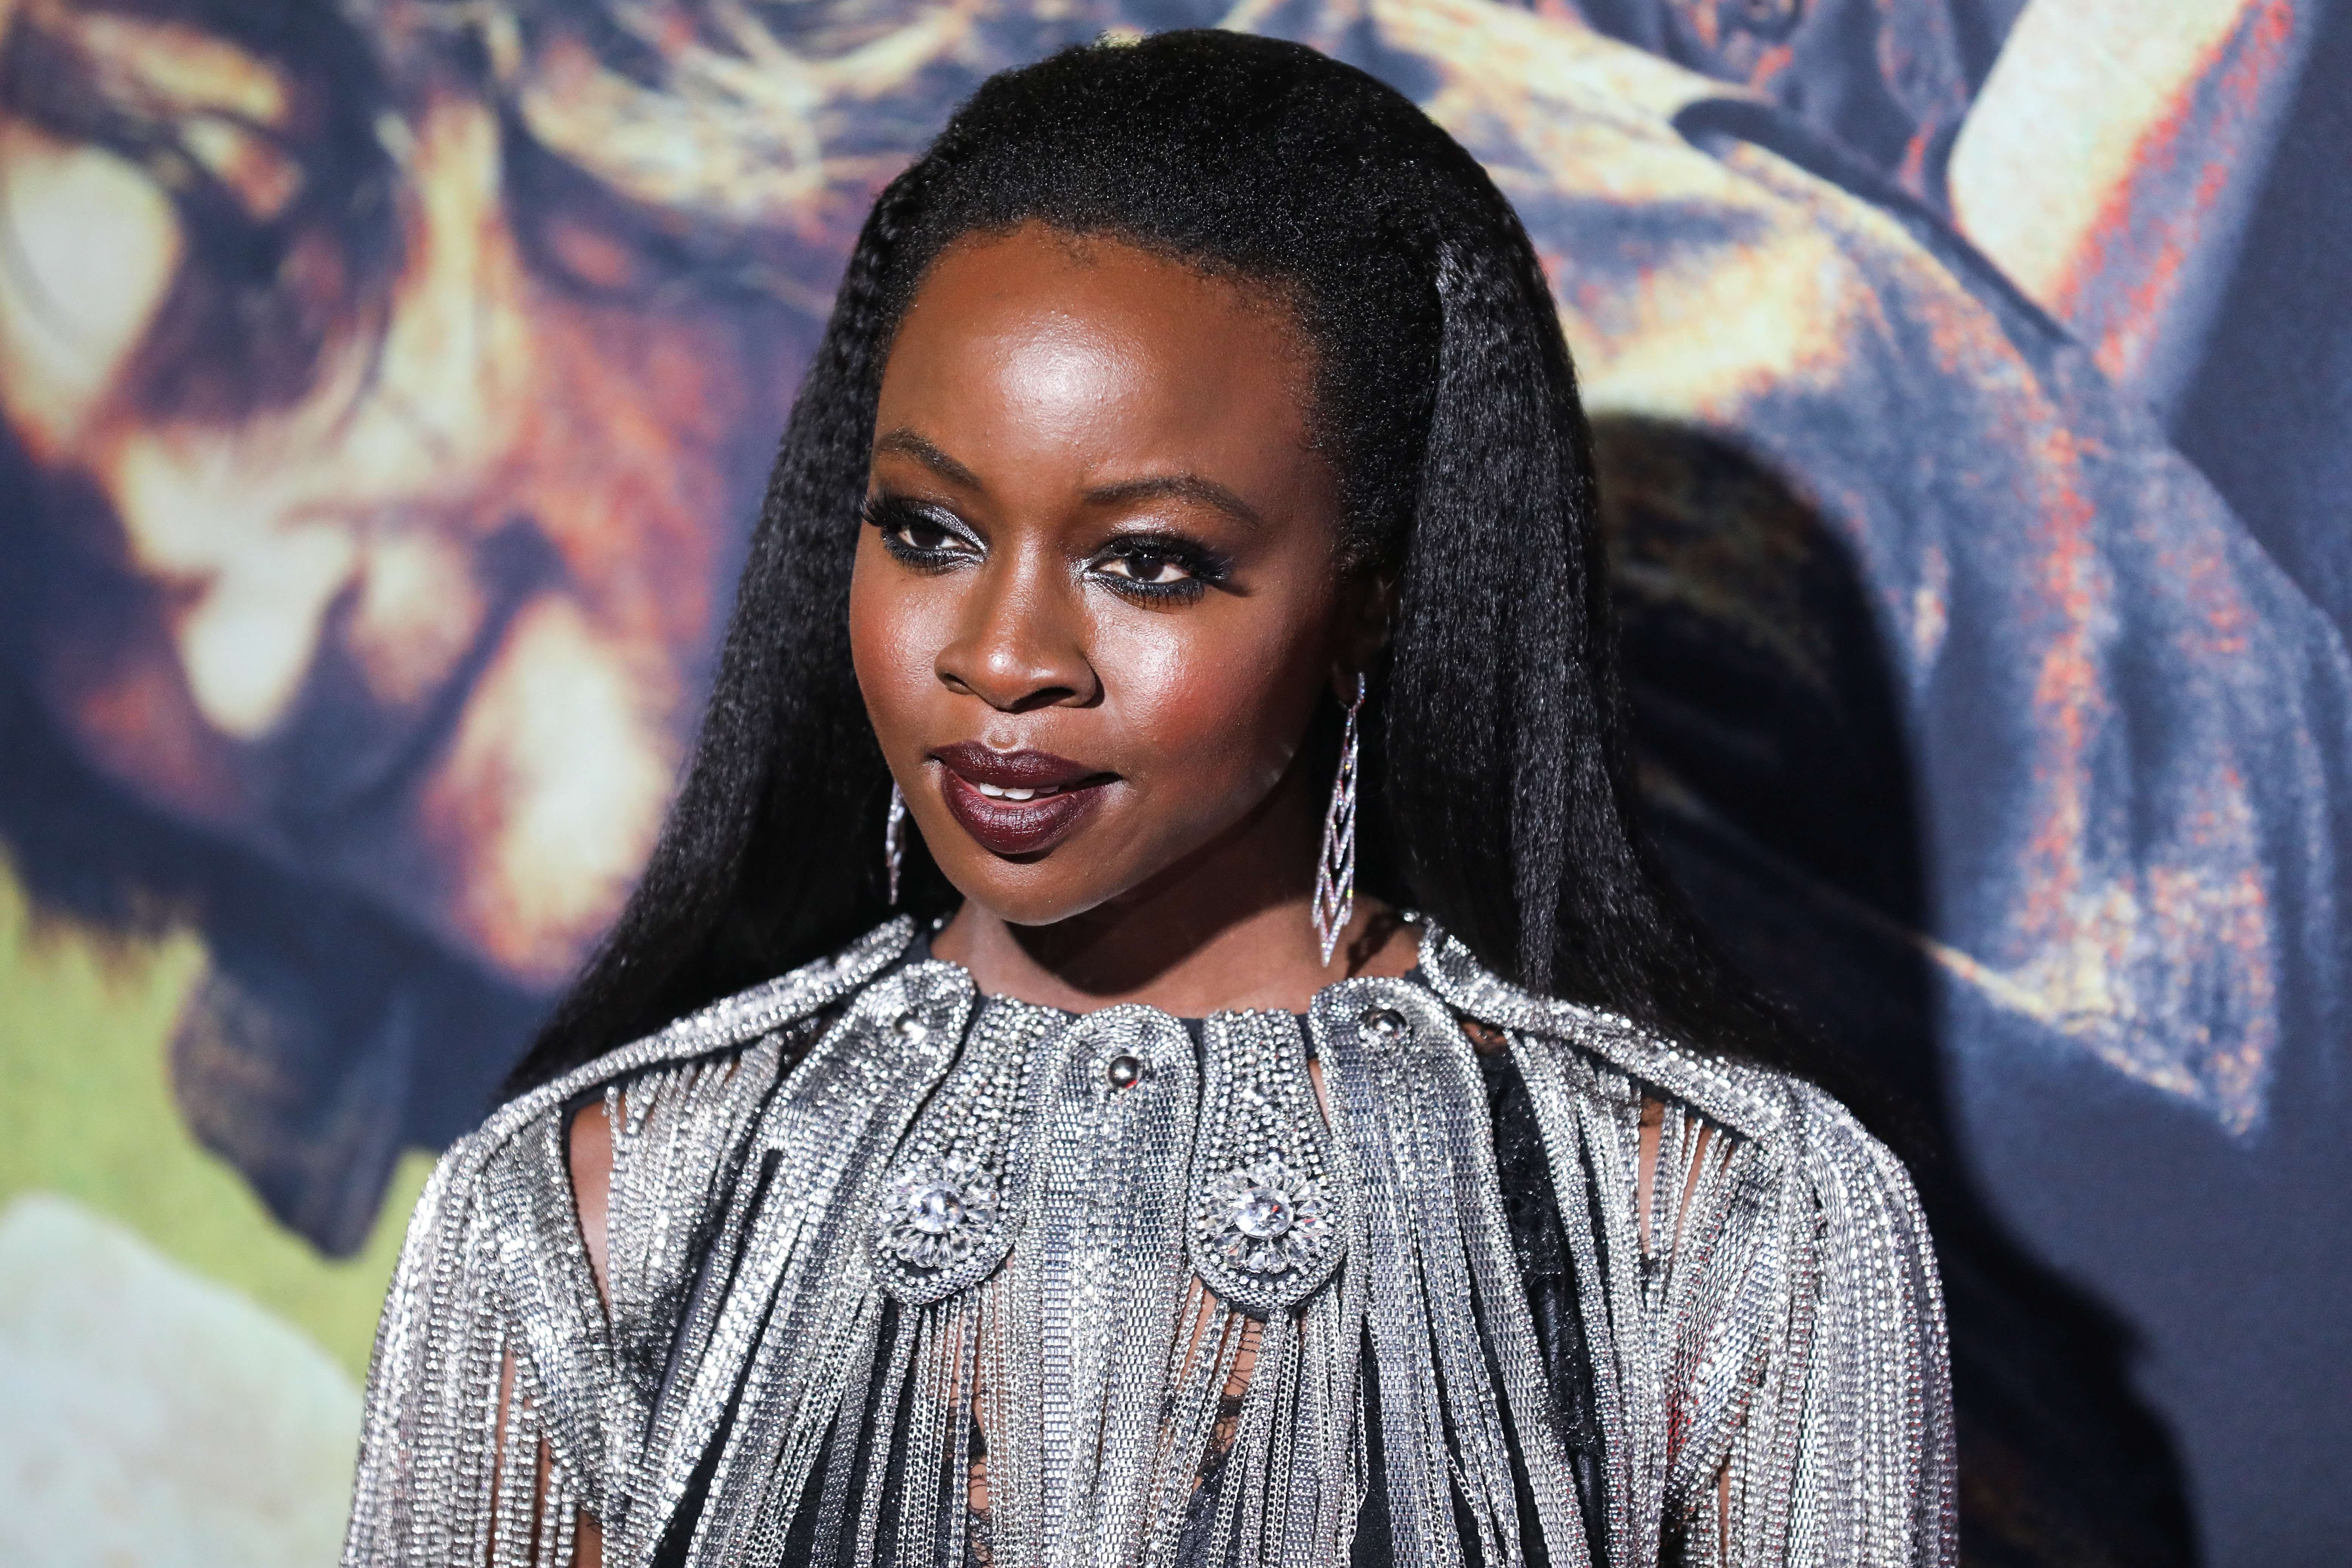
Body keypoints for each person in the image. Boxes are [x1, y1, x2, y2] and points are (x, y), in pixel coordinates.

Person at [343, 32, 1953, 1568]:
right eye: (926, 532)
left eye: (1151, 563)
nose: (1003, 656)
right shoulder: (589, 1205)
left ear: (1371, 600)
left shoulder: (1724, 1224)